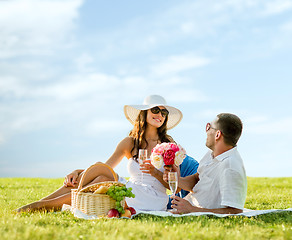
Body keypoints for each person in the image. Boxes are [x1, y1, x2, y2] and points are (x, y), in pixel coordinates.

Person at [16, 95, 183, 212]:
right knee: (102, 176)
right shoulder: (129, 143)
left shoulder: (168, 146)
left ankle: (42, 206)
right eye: (155, 110)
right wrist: (78, 172)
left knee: (103, 177)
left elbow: (175, 187)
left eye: (164, 113)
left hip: (152, 198)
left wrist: (154, 172)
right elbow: (104, 167)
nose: (159, 115)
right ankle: (43, 203)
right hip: (133, 188)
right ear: (144, 113)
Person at [164, 113, 247, 214]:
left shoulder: (230, 167)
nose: (206, 131)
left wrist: (192, 210)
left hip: (193, 211)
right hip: (186, 205)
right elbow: (196, 179)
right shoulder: (211, 154)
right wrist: (175, 180)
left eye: (209, 127)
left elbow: (235, 211)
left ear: (217, 135)